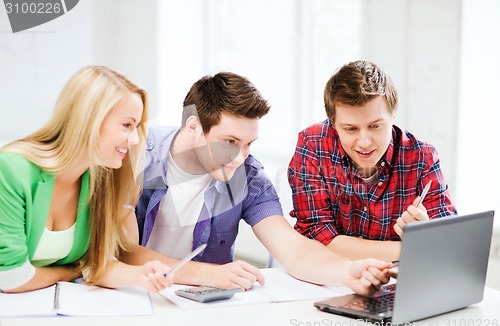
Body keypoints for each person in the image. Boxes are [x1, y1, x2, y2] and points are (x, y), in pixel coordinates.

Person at [120, 71, 392, 296]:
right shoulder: (135, 156)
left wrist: (346, 272)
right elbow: (122, 251)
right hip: (127, 296)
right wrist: (208, 274)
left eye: (248, 144)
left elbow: (292, 248)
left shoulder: (249, 177)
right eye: (229, 142)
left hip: (196, 309)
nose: (239, 157)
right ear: (193, 126)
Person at [0, 66, 172, 293]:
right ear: (89, 119)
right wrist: (68, 273)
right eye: (127, 125)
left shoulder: (100, 177)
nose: (133, 139)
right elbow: (11, 278)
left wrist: (140, 274)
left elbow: (96, 265)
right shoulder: (12, 169)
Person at [287, 60, 457, 262]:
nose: (364, 142)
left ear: (393, 115)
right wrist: (410, 248)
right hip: (330, 277)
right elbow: (315, 234)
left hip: (394, 282)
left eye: (375, 126)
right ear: (333, 124)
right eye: (351, 129)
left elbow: (447, 244)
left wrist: (426, 234)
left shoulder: (422, 157)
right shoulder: (313, 144)